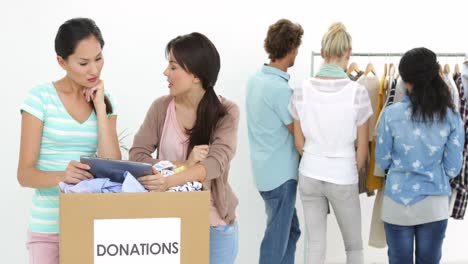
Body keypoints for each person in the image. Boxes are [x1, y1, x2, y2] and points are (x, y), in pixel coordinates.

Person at [129, 32, 239, 264]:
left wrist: (168, 180)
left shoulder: (226, 112)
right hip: (166, 223)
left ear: (196, 75)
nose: (165, 73)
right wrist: (183, 165)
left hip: (213, 226)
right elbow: (137, 155)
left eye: (173, 67)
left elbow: (215, 164)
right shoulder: (161, 108)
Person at [17, 18, 120, 264]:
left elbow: (113, 163)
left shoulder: (106, 100)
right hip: (48, 228)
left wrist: (99, 106)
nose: (94, 70)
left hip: (89, 223)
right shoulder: (40, 98)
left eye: (98, 58)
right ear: (61, 61)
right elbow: (24, 174)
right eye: (83, 63)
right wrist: (62, 176)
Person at [289, 22, 372, 264]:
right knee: (354, 248)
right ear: (349, 53)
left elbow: (298, 143)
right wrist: (343, 168)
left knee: (315, 247)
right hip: (342, 174)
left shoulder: (301, 90)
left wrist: (317, 158)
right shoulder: (357, 92)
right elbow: (363, 152)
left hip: (309, 174)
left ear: (323, 53)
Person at [375, 47, 464, 264]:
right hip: (434, 204)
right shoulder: (451, 117)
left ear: (406, 80)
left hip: (397, 203)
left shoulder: (390, 115)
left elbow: (382, 160)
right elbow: (453, 169)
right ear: (435, 76)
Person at [245, 18, 303, 264]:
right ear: (291, 48)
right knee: (276, 241)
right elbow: (298, 133)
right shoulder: (280, 91)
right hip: (281, 177)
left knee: (291, 231)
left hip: (265, 172)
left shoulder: (255, 79)